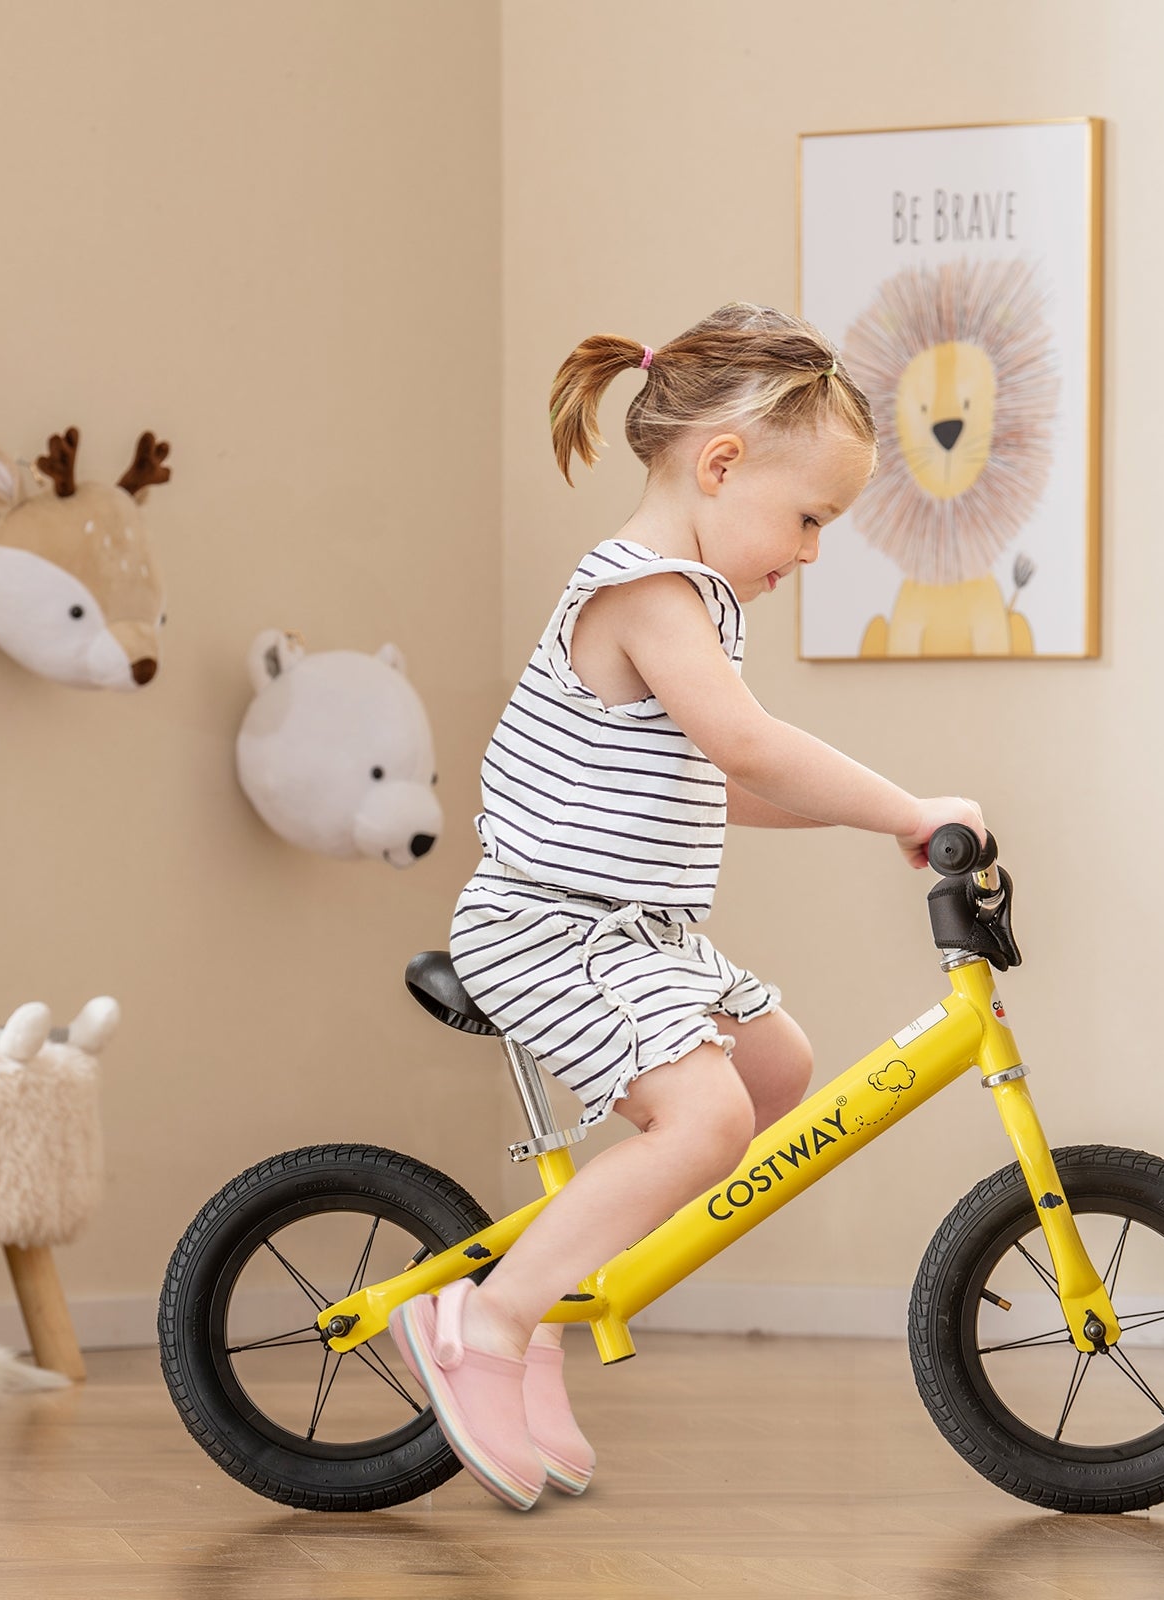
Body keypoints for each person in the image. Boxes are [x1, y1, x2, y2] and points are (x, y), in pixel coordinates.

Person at [390, 301, 985, 1510]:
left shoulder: (694, 606)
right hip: (548, 920)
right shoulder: (646, 592)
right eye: (810, 518)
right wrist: (903, 805)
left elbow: (716, 781)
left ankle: (552, 1288)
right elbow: (748, 745)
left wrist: (882, 819)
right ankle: (489, 1321)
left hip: (633, 933)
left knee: (774, 1070)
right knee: (708, 1121)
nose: (812, 551)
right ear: (720, 465)